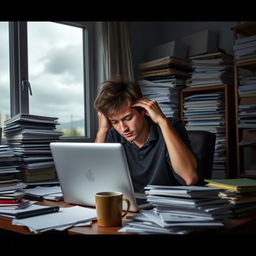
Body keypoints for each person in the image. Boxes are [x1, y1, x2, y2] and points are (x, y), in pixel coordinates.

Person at [94, 77, 199, 192]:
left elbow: (189, 178)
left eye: (128, 118)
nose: (123, 128)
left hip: (166, 206)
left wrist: (162, 121)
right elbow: (95, 181)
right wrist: (102, 131)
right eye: (115, 122)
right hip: (131, 206)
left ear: (143, 110)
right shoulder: (113, 135)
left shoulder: (170, 127)